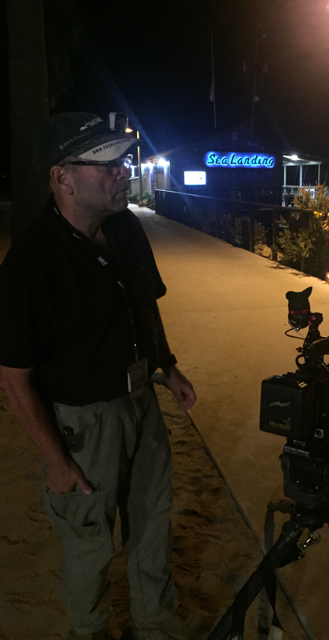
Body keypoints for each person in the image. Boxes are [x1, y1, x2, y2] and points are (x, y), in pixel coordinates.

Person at [0, 113, 204, 640]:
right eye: (106, 165)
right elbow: (14, 376)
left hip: (143, 404)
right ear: (62, 177)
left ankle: (155, 619)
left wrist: (168, 366)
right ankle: (89, 631)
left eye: (124, 162)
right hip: (84, 422)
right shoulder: (31, 262)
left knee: (152, 520)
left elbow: (145, 307)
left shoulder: (127, 228)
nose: (123, 173)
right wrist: (56, 462)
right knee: (89, 540)